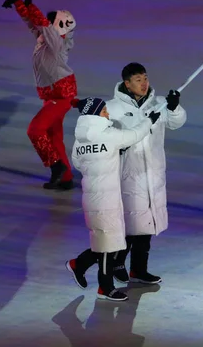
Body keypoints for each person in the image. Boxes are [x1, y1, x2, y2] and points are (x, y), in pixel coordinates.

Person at [65, 97, 160, 301]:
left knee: (107, 240)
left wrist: (111, 155)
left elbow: (79, 164)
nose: (108, 114)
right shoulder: (108, 135)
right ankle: (105, 288)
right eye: (104, 110)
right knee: (109, 244)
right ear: (96, 114)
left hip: (91, 197)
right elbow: (134, 135)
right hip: (106, 198)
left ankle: (78, 264)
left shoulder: (80, 140)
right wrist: (149, 121)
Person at [105, 62, 187, 284]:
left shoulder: (158, 104)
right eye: (138, 79)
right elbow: (103, 136)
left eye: (145, 78)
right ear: (127, 83)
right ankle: (116, 262)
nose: (144, 83)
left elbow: (176, 123)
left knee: (147, 225)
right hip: (128, 174)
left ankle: (138, 269)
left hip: (153, 174)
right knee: (131, 225)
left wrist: (173, 107)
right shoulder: (113, 108)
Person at [2, 0, 77, 189]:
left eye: (52, 22)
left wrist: (32, 7)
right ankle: (65, 177)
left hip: (60, 95)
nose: (49, 25)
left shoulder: (56, 42)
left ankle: (56, 166)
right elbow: (34, 25)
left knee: (35, 130)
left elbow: (42, 24)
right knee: (54, 136)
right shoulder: (47, 39)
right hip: (52, 94)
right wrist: (20, 7)